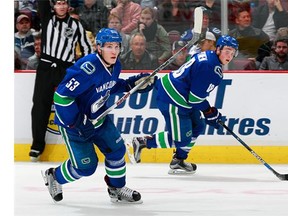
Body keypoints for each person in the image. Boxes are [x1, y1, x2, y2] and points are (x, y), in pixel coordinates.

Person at [42, 28, 155, 204]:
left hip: (99, 120)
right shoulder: (87, 68)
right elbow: (62, 96)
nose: (114, 51)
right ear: (99, 47)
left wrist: (131, 84)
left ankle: (116, 189)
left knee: (117, 151)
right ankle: (54, 176)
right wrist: (77, 122)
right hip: (75, 126)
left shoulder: (115, 65)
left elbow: (109, 85)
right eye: (109, 46)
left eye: (117, 46)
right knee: (86, 168)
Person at [130, 35, 239, 175]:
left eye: (233, 52)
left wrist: (210, 112)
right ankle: (143, 141)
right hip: (173, 99)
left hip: (181, 97)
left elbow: (194, 93)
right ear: (218, 49)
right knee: (182, 140)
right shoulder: (211, 68)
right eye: (227, 50)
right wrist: (209, 112)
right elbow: (195, 99)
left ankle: (178, 161)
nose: (229, 55)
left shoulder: (209, 56)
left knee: (197, 126)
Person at [29, 0, 93, 162]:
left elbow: (86, 48)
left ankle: (79, 142)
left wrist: (84, 69)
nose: (61, 6)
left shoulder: (76, 25)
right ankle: (37, 145)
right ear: (53, 6)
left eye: (64, 3)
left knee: (74, 105)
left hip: (66, 69)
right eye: (58, 3)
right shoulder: (46, 18)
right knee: (40, 105)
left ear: (68, 5)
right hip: (45, 67)